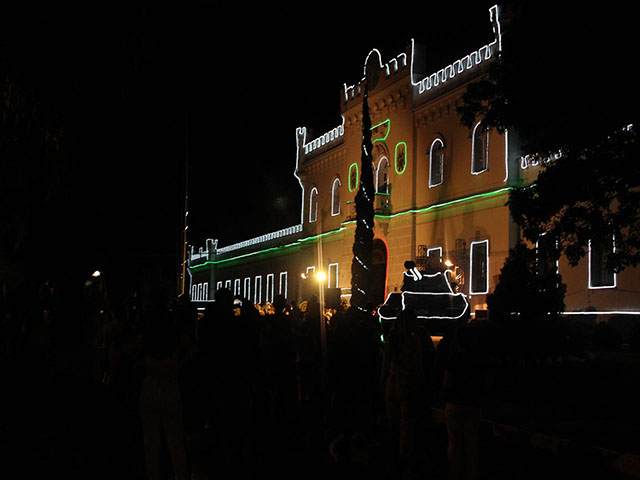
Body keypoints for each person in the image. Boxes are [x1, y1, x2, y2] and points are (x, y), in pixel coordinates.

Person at [381, 308, 426, 474]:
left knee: (393, 422)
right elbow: (418, 366)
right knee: (406, 426)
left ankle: (391, 456)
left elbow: (385, 364)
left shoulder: (392, 340)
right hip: (407, 386)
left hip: (392, 385)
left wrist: (383, 380)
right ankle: (404, 460)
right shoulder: (413, 341)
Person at [442, 323, 489, 480]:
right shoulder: (478, 360)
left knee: (454, 443)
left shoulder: (454, 358)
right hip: (472, 404)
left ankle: (454, 473)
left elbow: (446, 382)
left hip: (454, 403)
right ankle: (470, 473)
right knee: (471, 442)